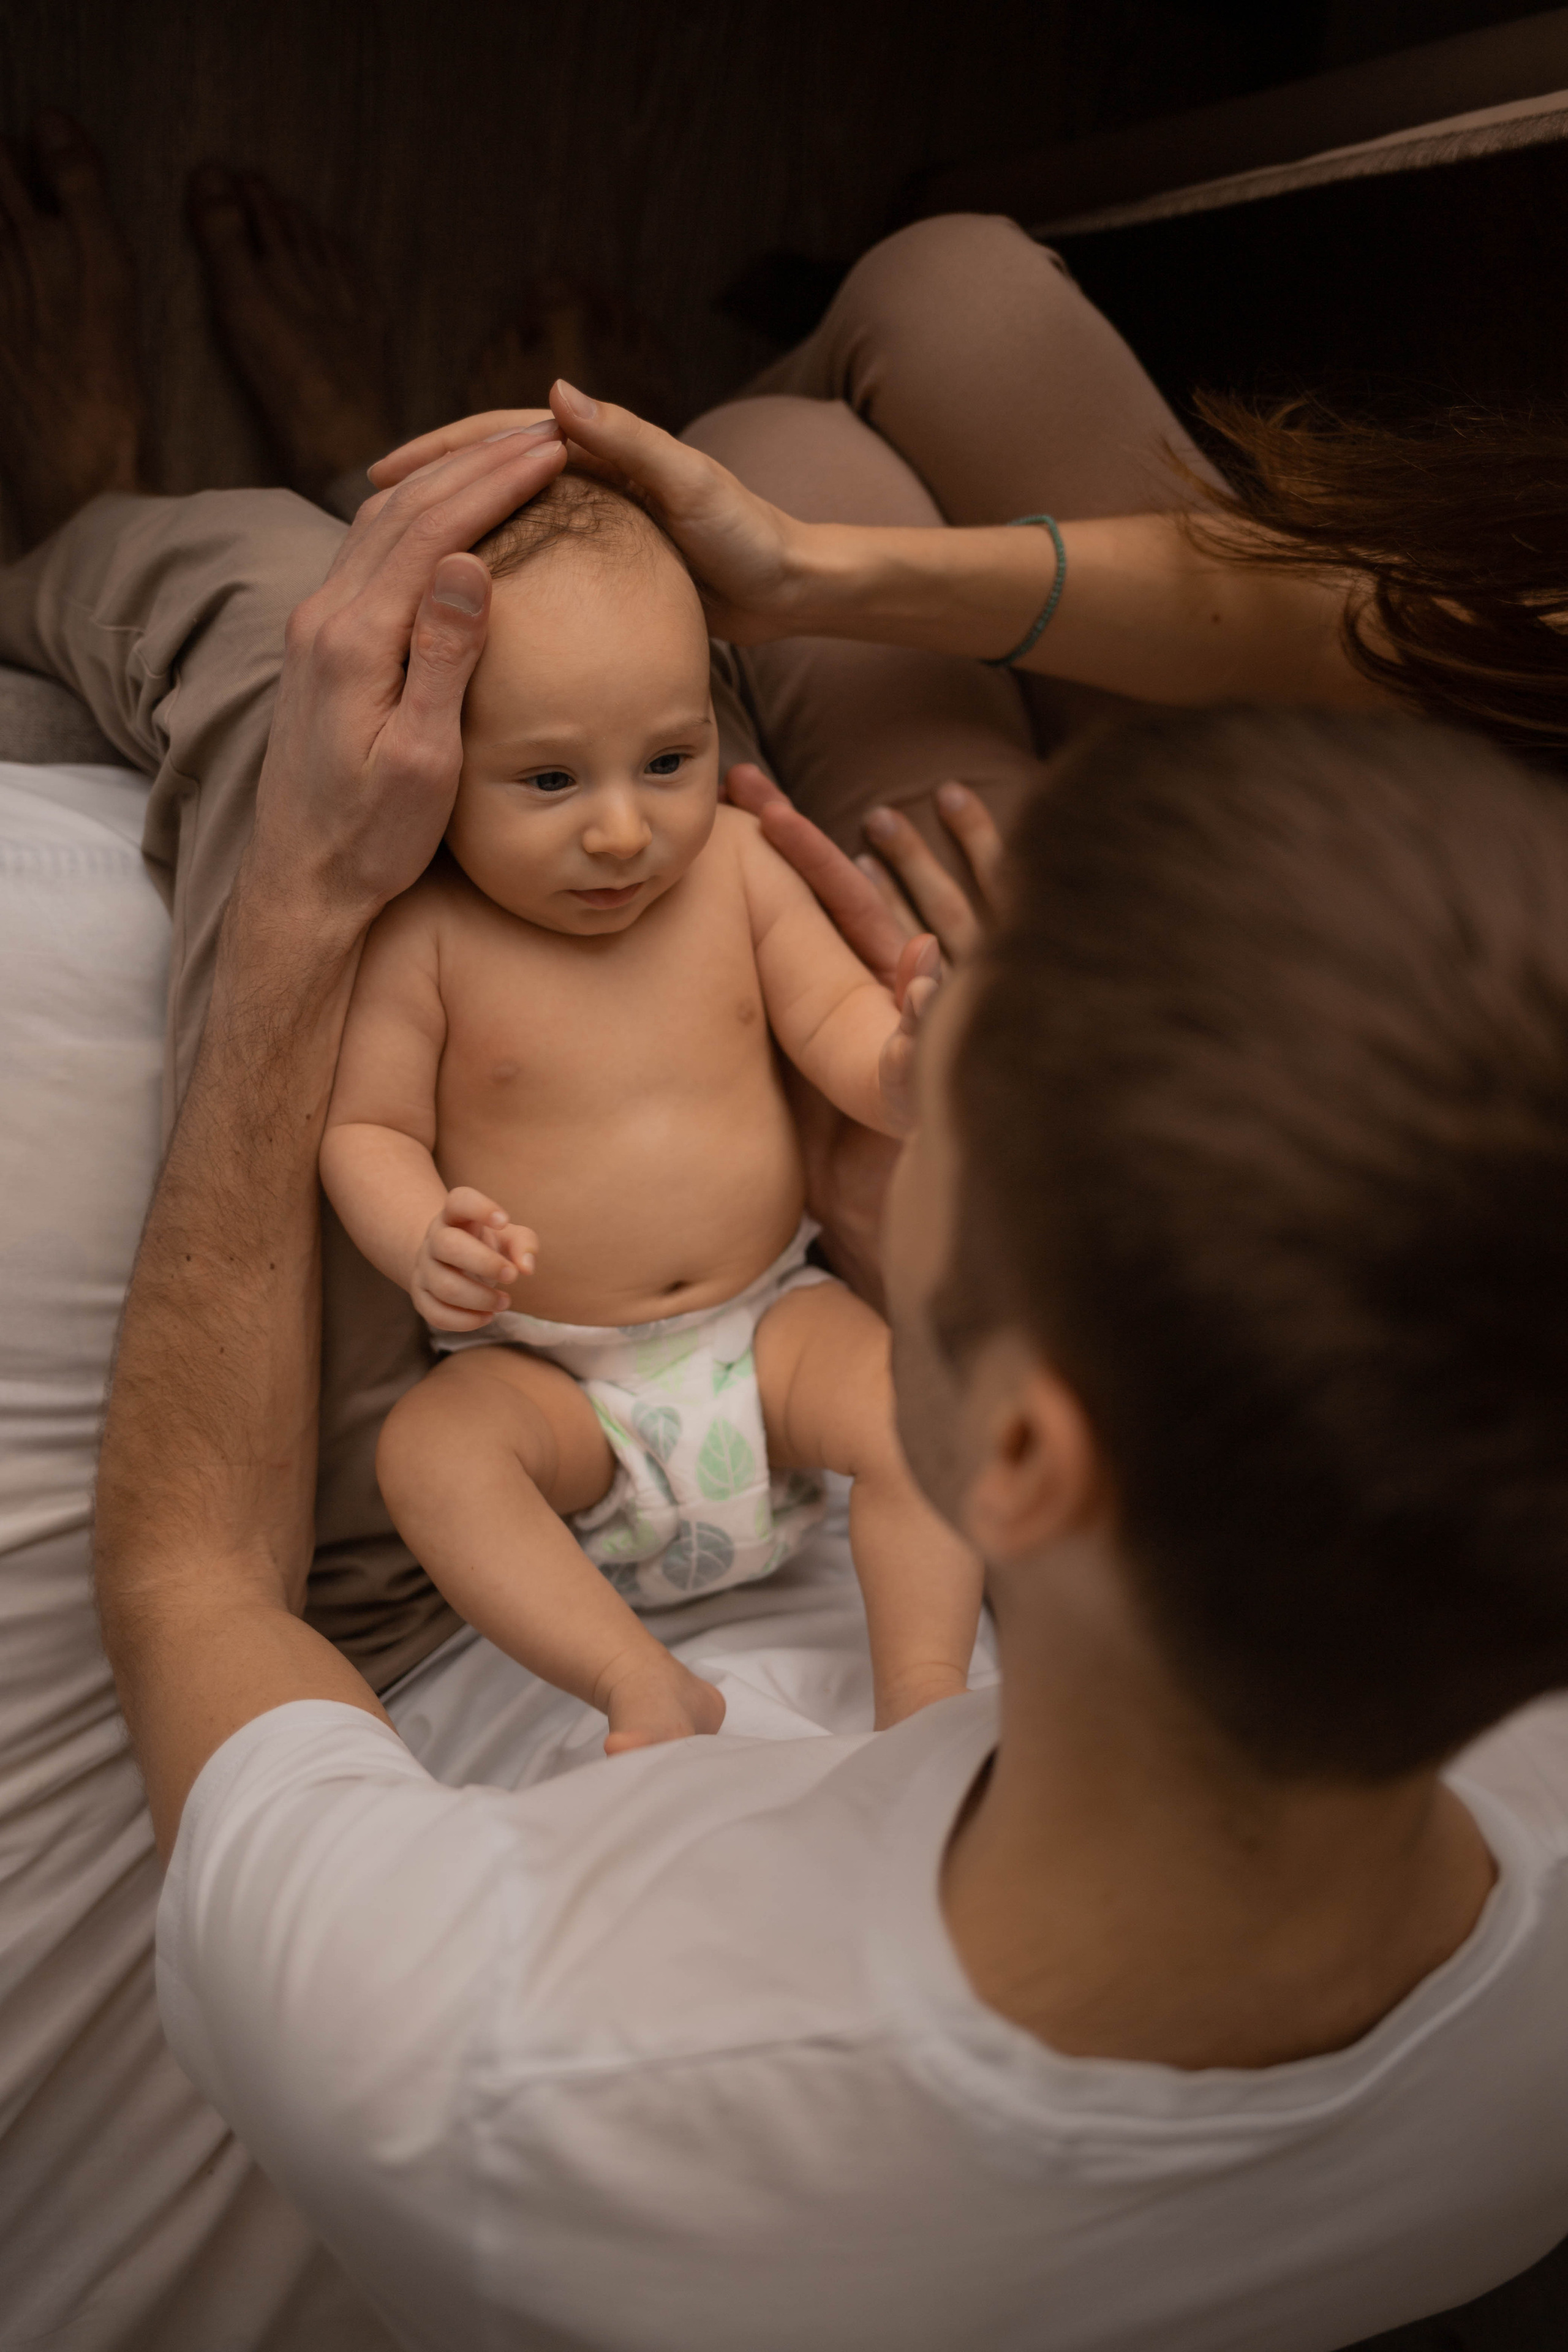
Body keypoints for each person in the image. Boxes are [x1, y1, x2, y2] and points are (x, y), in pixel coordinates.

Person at [87, 413, 1568, 2345]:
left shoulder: (497, 2073)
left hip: (461, 1598)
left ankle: (106, 487)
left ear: (1027, 1452)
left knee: (269, 661)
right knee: (792, 457)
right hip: (671, 1373)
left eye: (935, 1140)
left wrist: (296, 892)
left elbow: (189, 1580)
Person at [322, 466, 978, 1749]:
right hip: (554, 1383)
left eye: (668, 759)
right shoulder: (428, 940)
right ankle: (636, 1681)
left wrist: (903, 1066)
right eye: (549, 782)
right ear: (443, 763)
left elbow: (837, 1029)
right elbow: (369, 1132)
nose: (623, 832)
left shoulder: (734, 873)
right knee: (430, 1456)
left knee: (925, 1400)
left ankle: (925, 1695)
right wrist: (420, 1238)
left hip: (771, 1333)